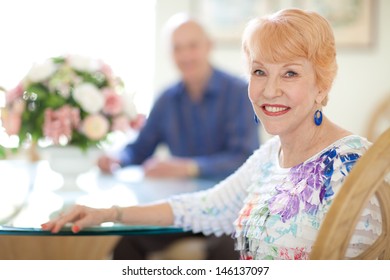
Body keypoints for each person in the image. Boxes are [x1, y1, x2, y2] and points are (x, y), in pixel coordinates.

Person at [42, 8, 381, 260]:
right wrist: (109, 213)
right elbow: (204, 206)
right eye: (260, 71)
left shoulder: (350, 162)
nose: (270, 90)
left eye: (290, 73)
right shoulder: (268, 159)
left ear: (322, 85)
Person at [97, 14, 259, 260]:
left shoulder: (238, 92)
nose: (185, 55)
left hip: (229, 208)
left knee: (230, 249)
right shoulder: (167, 99)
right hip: (184, 210)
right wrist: (116, 159)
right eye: (177, 48)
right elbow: (140, 149)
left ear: (208, 46)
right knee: (127, 243)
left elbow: (244, 157)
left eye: (192, 46)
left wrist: (188, 168)